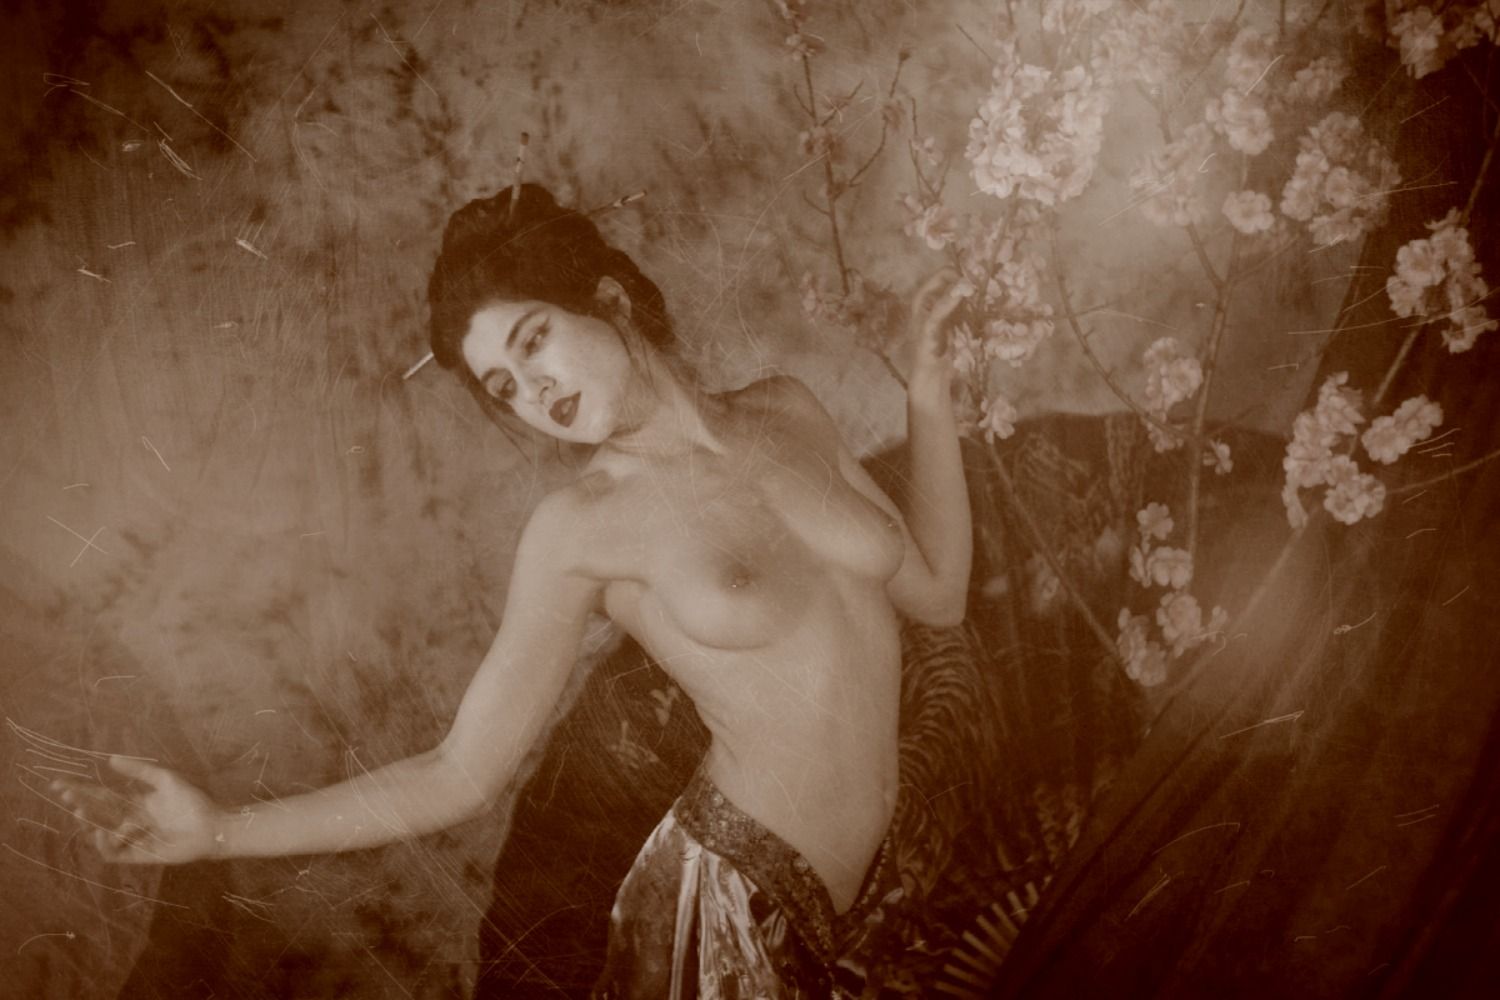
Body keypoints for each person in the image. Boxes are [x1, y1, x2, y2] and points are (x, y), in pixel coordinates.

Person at [52, 183, 973, 997]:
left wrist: (928, 398)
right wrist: (217, 830)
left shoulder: (787, 408)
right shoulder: (578, 530)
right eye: (503, 385)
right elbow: (459, 772)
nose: (532, 390)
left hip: (881, 902)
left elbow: (937, 594)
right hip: (732, 913)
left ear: (608, 299)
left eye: (534, 341)